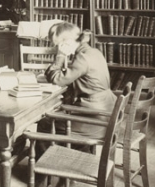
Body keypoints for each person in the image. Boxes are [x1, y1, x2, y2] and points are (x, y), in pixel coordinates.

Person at [35, 22, 117, 158]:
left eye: (57, 45)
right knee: (61, 116)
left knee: (45, 124)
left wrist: (60, 56)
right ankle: (76, 159)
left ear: (65, 43)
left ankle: (40, 175)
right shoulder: (93, 51)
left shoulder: (82, 57)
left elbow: (57, 79)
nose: (56, 48)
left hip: (95, 118)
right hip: (105, 111)